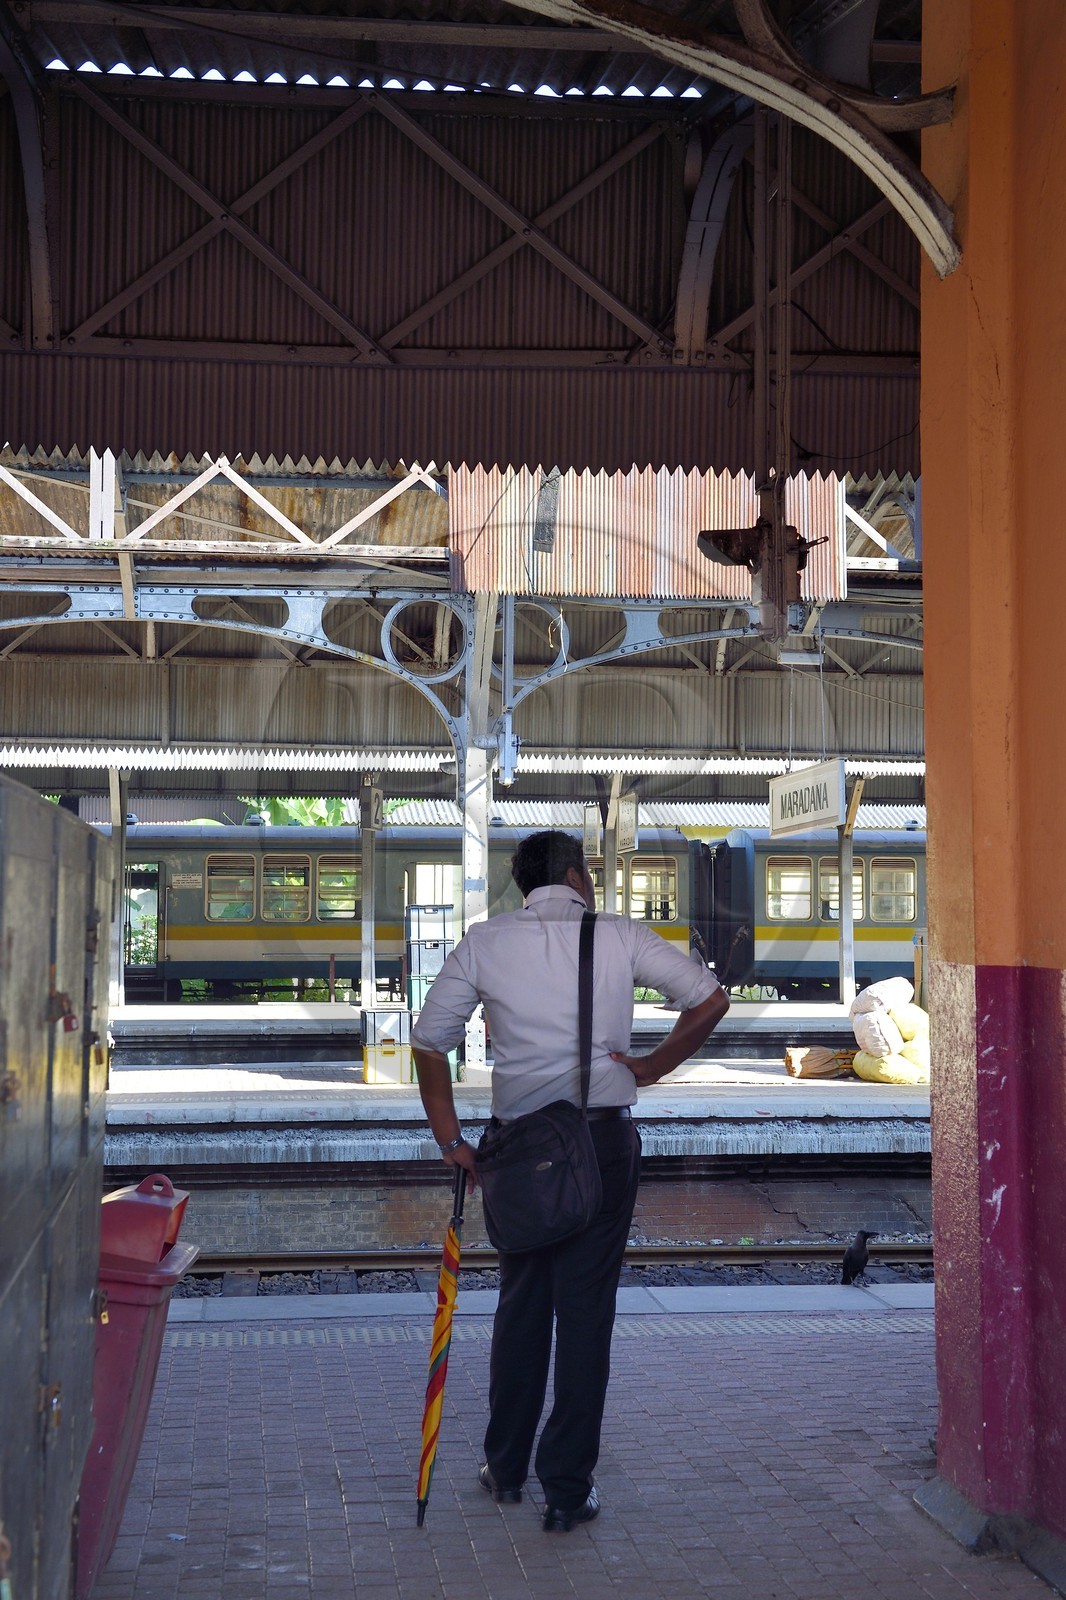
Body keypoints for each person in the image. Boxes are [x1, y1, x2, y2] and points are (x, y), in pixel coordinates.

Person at [411, 828, 729, 1531]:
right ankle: (566, 1490)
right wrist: (655, 1064)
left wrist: (450, 1142)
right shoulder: (620, 935)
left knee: (522, 1304)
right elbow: (709, 999)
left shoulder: (485, 942)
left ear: (526, 885)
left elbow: (429, 1041)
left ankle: (504, 1467)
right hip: (602, 1142)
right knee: (585, 1316)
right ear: (578, 876)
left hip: (518, 1151)